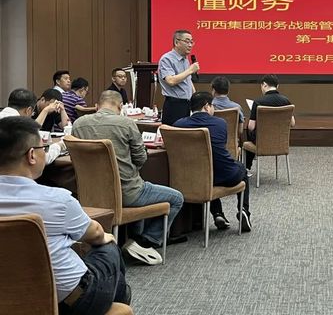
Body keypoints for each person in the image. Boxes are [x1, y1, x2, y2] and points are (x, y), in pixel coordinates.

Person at [0, 117, 131, 314]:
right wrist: (105, 237)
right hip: (71, 301)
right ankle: (120, 301)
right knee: (108, 247)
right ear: (31, 155)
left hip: (8, 297)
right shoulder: (57, 200)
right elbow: (95, 234)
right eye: (44, 148)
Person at [72, 91, 184, 265]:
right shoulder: (126, 123)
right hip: (128, 193)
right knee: (177, 198)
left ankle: (133, 239)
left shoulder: (78, 124)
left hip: (91, 194)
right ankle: (145, 242)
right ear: (120, 107)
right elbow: (141, 159)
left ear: (97, 106)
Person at [174, 91, 252, 232]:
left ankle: (217, 213)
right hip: (224, 174)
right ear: (206, 106)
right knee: (242, 169)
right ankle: (243, 210)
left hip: (194, 177)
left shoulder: (178, 125)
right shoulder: (220, 123)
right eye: (212, 106)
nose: (213, 109)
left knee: (206, 172)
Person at [0, 89, 66, 164]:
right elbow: (41, 159)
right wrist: (59, 146)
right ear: (28, 110)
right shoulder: (19, 126)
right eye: (32, 113)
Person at [246, 74, 295, 171]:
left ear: (264, 85)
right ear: (277, 86)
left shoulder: (258, 102)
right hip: (280, 141)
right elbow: (292, 123)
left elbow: (251, 127)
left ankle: (247, 167)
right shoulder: (286, 101)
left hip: (261, 141)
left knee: (249, 130)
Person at [158, 29, 199, 125]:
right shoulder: (166, 59)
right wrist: (190, 70)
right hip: (174, 105)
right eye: (187, 41)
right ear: (177, 42)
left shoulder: (185, 59)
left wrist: (195, 96)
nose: (190, 45)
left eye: (191, 42)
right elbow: (171, 81)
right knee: (174, 133)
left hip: (187, 104)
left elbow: (187, 80)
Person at [211, 76, 244, 140]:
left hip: (213, 144)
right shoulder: (237, 108)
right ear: (228, 91)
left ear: (213, 90)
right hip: (232, 144)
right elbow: (240, 131)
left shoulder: (208, 108)